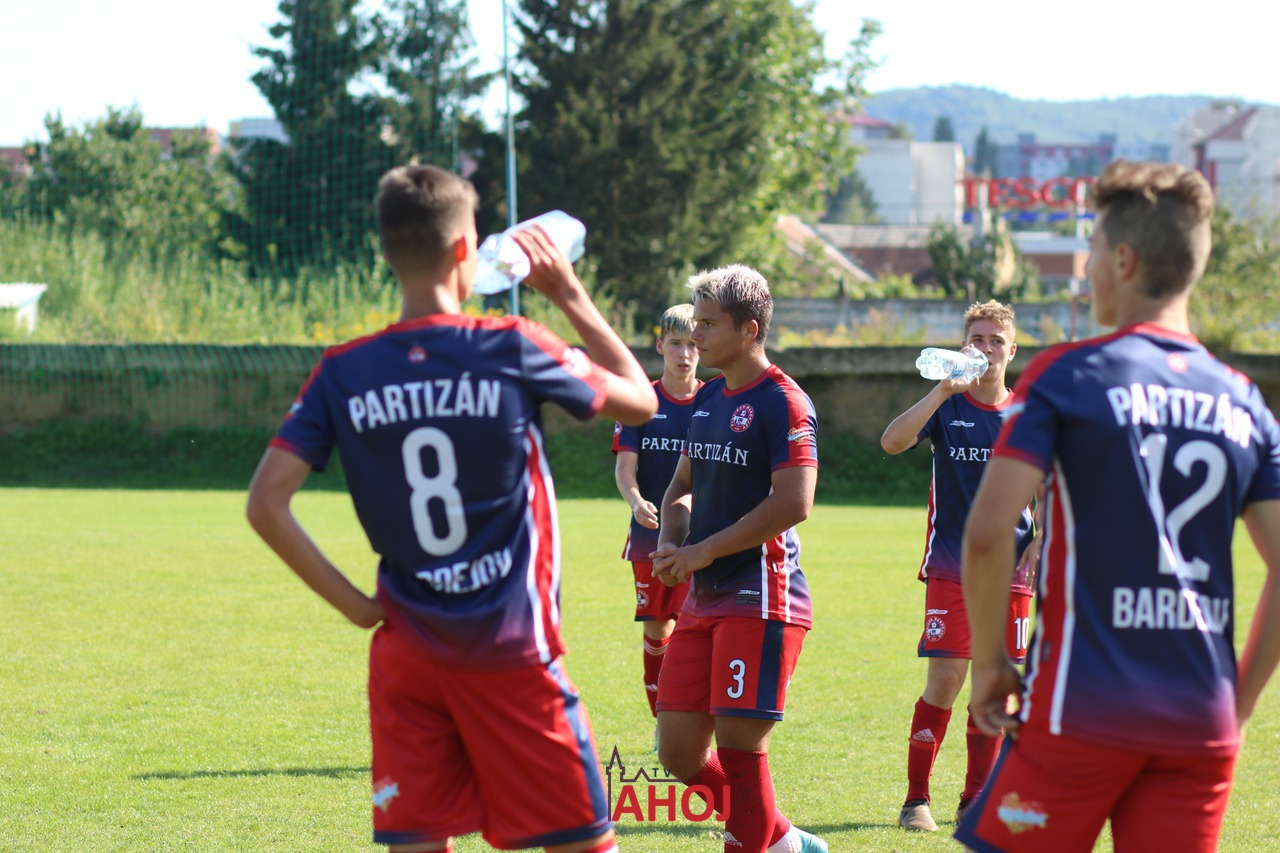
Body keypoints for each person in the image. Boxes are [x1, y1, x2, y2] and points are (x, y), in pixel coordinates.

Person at [245, 164, 658, 853]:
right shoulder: (511, 345)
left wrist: (359, 608)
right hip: (510, 648)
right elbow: (640, 401)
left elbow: (266, 504)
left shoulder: (342, 370)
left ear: (386, 253)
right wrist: (570, 294)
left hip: (407, 655)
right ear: (468, 249)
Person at [958, 159, 1280, 852]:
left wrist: (991, 664)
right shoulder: (1244, 400)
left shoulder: (1068, 375)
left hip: (1079, 709)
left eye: (1094, 250)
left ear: (1125, 261)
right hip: (1199, 722)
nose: (1089, 267)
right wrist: (1241, 701)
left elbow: (986, 534)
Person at [650, 265, 826, 853]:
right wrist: (672, 541)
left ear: (749, 329)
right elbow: (682, 487)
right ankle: (785, 840)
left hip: (763, 594)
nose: (695, 335)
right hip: (703, 596)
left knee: (739, 753)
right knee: (678, 751)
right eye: (694, 323)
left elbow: (795, 502)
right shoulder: (706, 399)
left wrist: (702, 551)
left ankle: (764, 839)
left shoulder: (784, 401)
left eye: (708, 324)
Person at [880, 300, 1039, 832]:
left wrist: (1041, 544)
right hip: (953, 566)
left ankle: (974, 801)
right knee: (946, 679)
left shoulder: (1028, 417)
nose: (987, 349)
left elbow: (1050, 488)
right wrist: (941, 390)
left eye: (996, 340)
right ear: (964, 346)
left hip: (1012, 573)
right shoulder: (947, 405)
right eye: (977, 339)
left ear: (1012, 351)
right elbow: (892, 442)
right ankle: (915, 801)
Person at [611, 303, 701, 730]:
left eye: (692, 344)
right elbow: (624, 468)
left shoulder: (715, 400)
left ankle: (693, 724)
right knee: (656, 630)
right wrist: (635, 501)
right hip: (649, 538)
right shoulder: (640, 402)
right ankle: (661, 726)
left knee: (695, 630)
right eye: (675, 343)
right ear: (660, 345)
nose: (684, 353)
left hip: (702, 539)